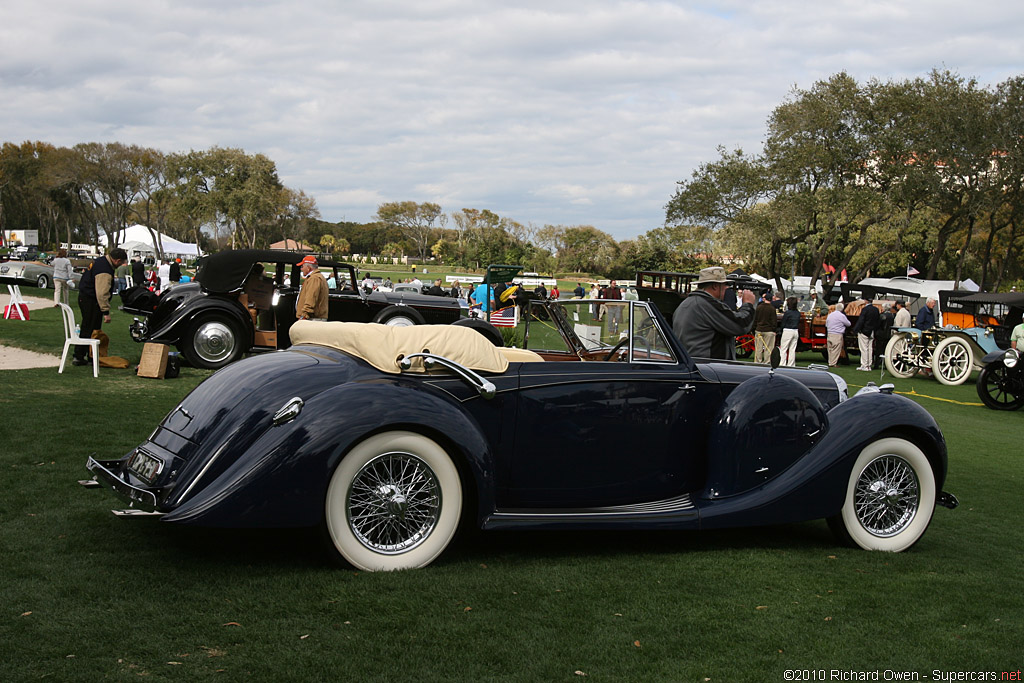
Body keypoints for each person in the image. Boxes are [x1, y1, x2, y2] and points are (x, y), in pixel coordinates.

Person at [672, 266, 756, 359]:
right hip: (708, 366)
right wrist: (748, 304)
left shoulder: (687, 303)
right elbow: (740, 325)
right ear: (715, 286)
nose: (726, 288)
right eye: (724, 285)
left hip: (695, 363)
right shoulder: (706, 304)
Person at [73, 248, 127, 366]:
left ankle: (90, 354)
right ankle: (79, 355)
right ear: (117, 260)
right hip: (91, 300)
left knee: (91, 328)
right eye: (121, 262)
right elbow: (102, 293)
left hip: (86, 297)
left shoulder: (101, 261)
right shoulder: (105, 270)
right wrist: (106, 311)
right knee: (89, 328)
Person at [295, 255, 328, 320]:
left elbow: (311, 298)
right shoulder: (317, 277)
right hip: (314, 318)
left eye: (302, 266)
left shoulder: (314, 279)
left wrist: (304, 316)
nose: (301, 269)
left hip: (312, 319)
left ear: (308, 268)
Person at [852, 299, 880, 371]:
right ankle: (869, 365)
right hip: (872, 331)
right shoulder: (876, 309)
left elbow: (861, 320)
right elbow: (877, 321)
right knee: (870, 348)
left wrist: (855, 330)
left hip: (864, 331)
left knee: (864, 348)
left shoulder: (865, 309)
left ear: (866, 301)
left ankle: (864, 365)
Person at [754, 292, 778, 364]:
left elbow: (755, 319)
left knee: (758, 348)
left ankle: (758, 361)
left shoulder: (759, 307)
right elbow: (774, 321)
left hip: (759, 329)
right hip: (769, 330)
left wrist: (754, 328)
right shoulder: (772, 308)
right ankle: (767, 362)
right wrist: (774, 329)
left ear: (764, 299)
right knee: (768, 347)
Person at [825, 302, 851, 367]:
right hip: (837, 334)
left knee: (830, 349)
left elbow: (826, 324)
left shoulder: (830, 315)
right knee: (836, 349)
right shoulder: (842, 316)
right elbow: (848, 324)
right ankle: (833, 363)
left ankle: (830, 361)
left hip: (830, 333)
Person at [779, 296, 801, 367]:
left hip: (787, 330)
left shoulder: (788, 313)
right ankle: (791, 364)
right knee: (792, 349)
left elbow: (783, 323)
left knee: (783, 349)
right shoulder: (798, 313)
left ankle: (782, 363)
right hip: (795, 331)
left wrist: (780, 329)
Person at [875, 302, 895, 368]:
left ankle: (877, 364)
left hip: (880, 334)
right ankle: (886, 365)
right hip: (888, 334)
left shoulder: (882, 315)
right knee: (886, 350)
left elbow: (878, 325)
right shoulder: (892, 316)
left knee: (878, 350)